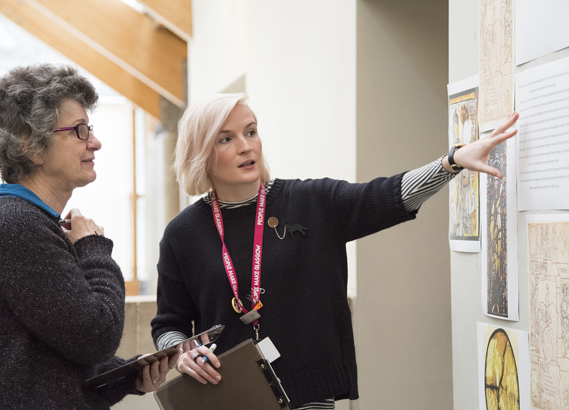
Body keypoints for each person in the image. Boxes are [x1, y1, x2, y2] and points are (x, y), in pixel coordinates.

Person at [151, 93, 519, 409]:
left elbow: (385, 195)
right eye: (226, 139)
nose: (246, 146)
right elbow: (169, 325)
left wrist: (450, 162)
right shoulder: (182, 234)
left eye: (250, 131)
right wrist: (185, 353)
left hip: (309, 389)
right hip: (228, 396)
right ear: (201, 153)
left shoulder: (310, 202)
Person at [0, 64, 175, 409]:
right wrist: (94, 250)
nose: (95, 142)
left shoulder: (25, 221)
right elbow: (96, 336)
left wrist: (127, 374)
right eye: (79, 130)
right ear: (31, 145)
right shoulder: (16, 226)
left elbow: (49, 359)